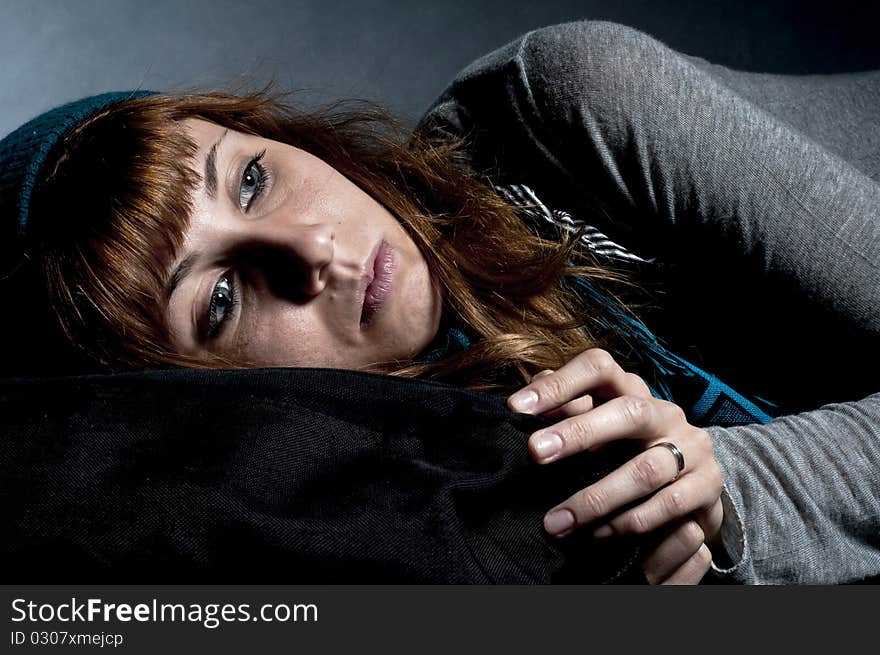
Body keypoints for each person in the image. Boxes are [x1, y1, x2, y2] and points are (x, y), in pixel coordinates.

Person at [1, 19, 878, 584]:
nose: (312, 251)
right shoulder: (403, 509)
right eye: (221, 299)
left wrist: (736, 495)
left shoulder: (567, 113)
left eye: (253, 178)